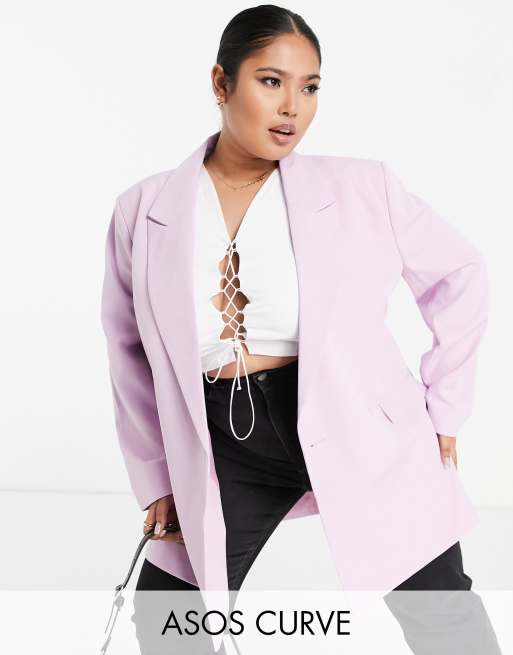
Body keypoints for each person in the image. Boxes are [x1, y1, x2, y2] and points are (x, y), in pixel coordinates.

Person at [101, 5, 502, 654]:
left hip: (359, 421)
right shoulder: (144, 209)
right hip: (220, 438)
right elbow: (128, 353)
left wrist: (445, 407)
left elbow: (460, 274)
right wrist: (156, 476)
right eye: (271, 81)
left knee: (439, 608)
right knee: (169, 614)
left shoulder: (361, 186)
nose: (292, 106)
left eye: (309, 87)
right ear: (221, 82)